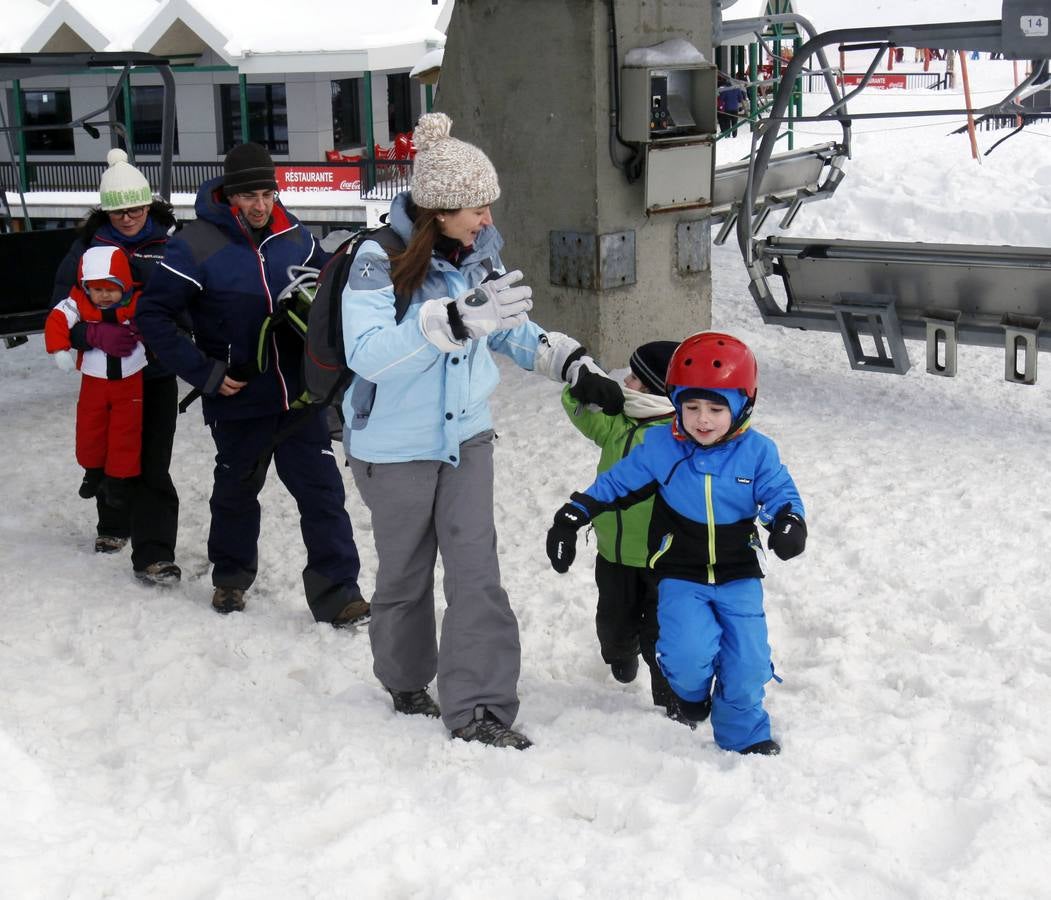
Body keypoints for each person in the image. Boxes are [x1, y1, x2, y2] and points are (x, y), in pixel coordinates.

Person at [340, 112, 623, 749]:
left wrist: (571, 363)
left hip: (466, 440)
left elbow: (514, 328)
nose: (487, 219)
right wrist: (452, 322)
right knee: (405, 578)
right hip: (393, 449)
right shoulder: (373, 259)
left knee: (476, 576)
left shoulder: (478, 256)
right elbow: (368, 353)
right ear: (438, 208)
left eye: (489, 205)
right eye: (476, 208)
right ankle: (405, 678)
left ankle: (479, 709)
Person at [135, 142, 368, 625]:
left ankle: (339, 593)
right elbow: (153, 316)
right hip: (238, 398)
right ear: (229, 195)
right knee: (236, 493)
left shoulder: (295, 234)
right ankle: (231, 578)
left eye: (268, 193)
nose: (261, 205)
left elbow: (324, 294)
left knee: (323, 494)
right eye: (249, 196)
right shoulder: (195, 244)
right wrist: (205, 373)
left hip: (300, 397)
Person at [546, 333, 808, 756]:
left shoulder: (757, 452)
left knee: (749, 662)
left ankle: (744, 733)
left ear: (742, 405)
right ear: (676, 403)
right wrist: (573, 514)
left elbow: (779, 490)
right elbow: (617, 482)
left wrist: (789, 520)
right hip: (680, 572)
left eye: (716, 408)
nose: (703, 419)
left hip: (739, 573)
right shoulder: (664, 447)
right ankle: (689, 694)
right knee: (686, 655)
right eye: (692, 407)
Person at [51, 149, 181, 582]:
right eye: (119, 211)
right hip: (103, 369)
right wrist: (90, 335)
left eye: (136, 209)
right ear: (106, 211)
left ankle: (155, 552)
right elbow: (61, 309)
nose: (128, 218)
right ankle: (112, 523)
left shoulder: (171, 243)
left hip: (155, 371)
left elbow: (191, 303)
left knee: (153, 460)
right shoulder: (87, 248)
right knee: (108, 446)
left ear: (149, 205)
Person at [560, 340, 684, 714]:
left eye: (634, 378)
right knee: (613, 630)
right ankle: (620, 654)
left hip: (661, 559)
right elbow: (582, 412)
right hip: (613, 555)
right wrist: (580, 389)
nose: (625, 382)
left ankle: (670, 698)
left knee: (661, 637)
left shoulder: (678, 437)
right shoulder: (618, 423)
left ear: (655, 389)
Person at [46, 246, 147, 512]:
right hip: (94, 379)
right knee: (90, 427)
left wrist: (145, 330)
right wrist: (59, 349)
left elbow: (157, 319)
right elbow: (57, 318)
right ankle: (92, 471)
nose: (104, 296)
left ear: (124, 285)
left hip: (130, 378)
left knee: (126, 431)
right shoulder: (78, 302)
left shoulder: (137, 302)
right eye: (97, 289)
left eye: (111, 289)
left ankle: (118, 479)